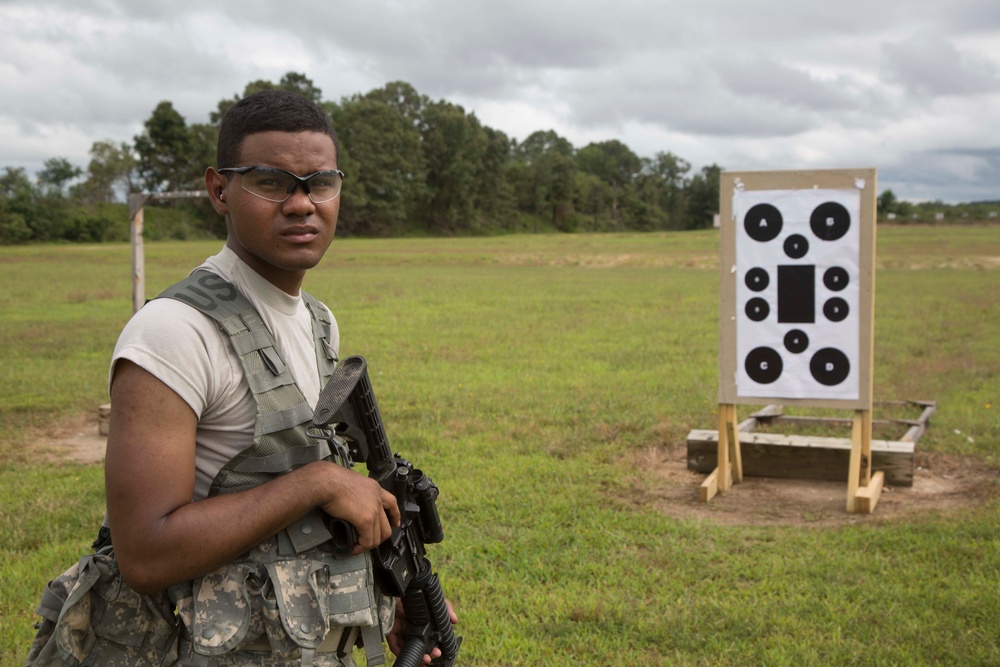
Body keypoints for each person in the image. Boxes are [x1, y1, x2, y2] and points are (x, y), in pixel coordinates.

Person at [102, 90, 455, 666]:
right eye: (271, 182)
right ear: (220, 189)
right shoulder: (172, 332)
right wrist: (318, 484)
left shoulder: (318, 320)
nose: (302, 203)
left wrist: (381, 599)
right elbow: (144, 554)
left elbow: (309, 512)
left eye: (320, 182)